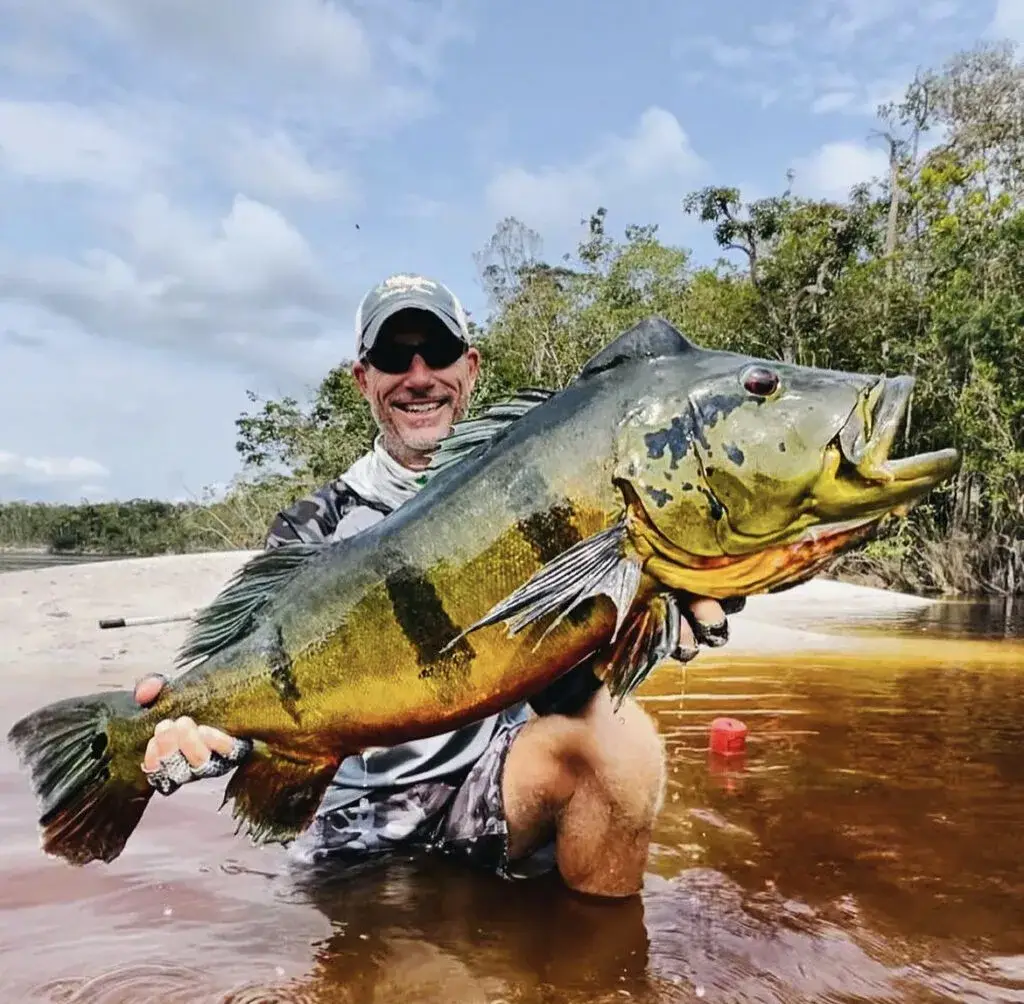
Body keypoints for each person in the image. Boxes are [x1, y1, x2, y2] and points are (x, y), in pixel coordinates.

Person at [133, 273, 740, 898]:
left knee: (624, 743)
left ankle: (610, 978)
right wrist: (216, 737)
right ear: (363, 379)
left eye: (440, 353)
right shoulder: (314, 527)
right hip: (353, 822)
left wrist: (648, 615)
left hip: (489, 786)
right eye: (395, 357)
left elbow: (561, 689)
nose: (419, 376)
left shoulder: (541, 492)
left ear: (470, 367)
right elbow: (271, 685)